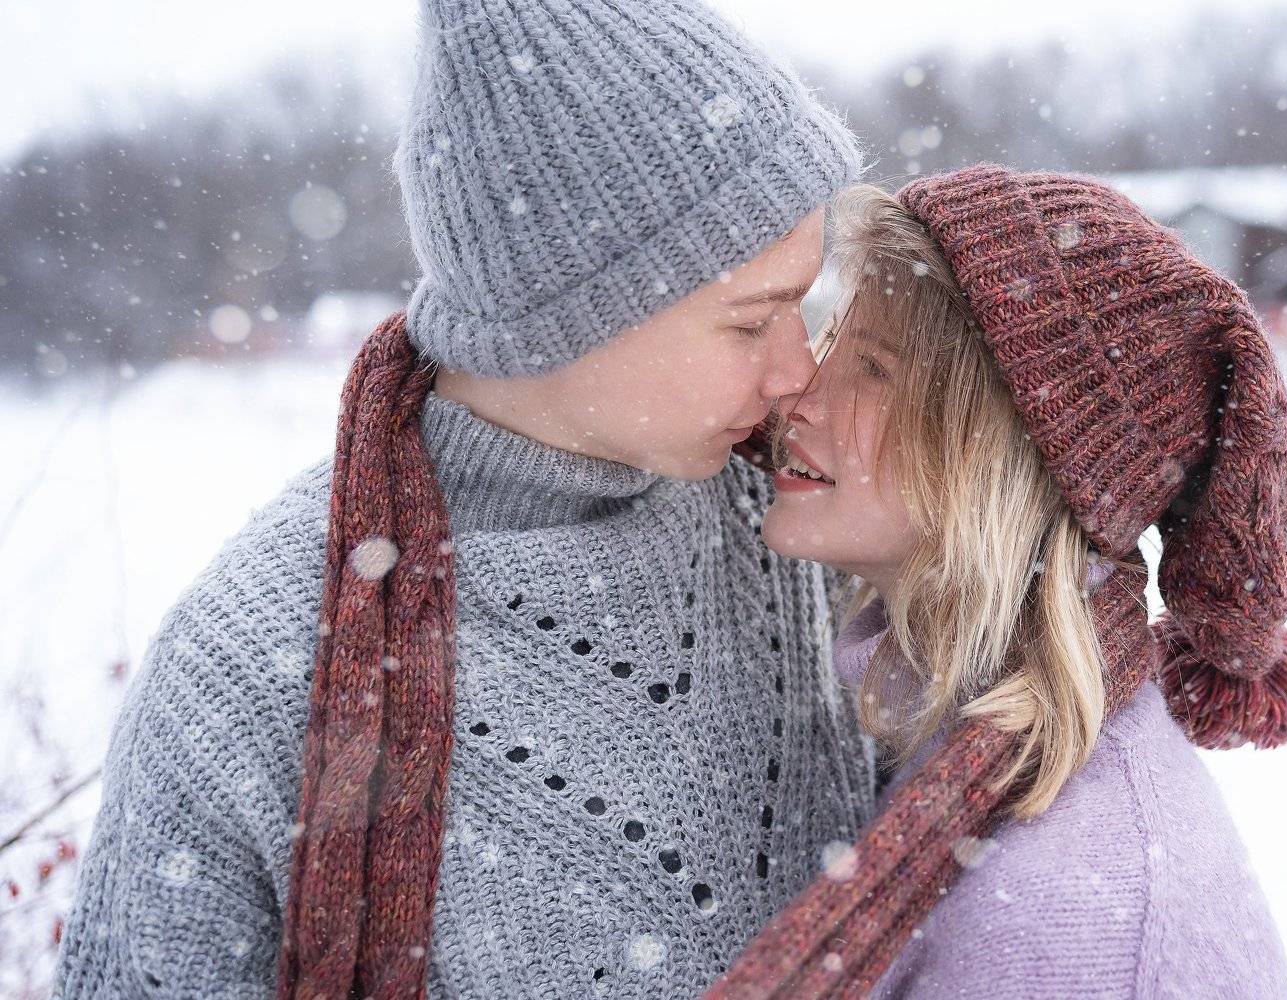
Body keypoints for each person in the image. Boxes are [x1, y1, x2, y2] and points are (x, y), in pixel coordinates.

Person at [50, 1, 880, 997]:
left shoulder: (801, 519)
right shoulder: (255, 666)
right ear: (572, 311)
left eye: (804, 302)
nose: (798, 371)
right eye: (753, 322)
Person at [709, 166, 1287, 998]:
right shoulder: (958, 737)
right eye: (832, 344)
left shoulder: (1072, 927)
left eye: (874, 370)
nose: (798, 392)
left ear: (1010, 459)